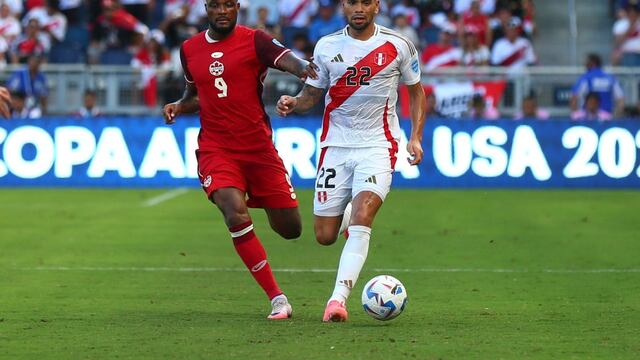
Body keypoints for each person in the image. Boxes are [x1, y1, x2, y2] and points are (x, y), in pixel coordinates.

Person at [162, 0, 317, 320]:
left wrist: (305, 68)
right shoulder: (190, 49)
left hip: (259, 149)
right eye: (216, 5)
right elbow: (195, 97)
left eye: (229, 5)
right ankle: (278, 298)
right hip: (216, 149)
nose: (222, 11)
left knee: (290, 229)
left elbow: (289, 60)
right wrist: (178, 106)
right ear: (206, 8)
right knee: (234, 212)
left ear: (237, 8)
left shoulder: (255, 39)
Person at [276, 0, 426, 322]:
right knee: (324, 235)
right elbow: (313, 95)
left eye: (365, 2)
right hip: (336, 146)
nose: (359, 8)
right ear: (344, 6)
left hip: (378, 145)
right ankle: (344, 215)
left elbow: (416, 92)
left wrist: (414, 137)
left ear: (376, 6)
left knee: (363, 217)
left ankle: (337, 301)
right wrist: (294, 102)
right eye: (352, 2)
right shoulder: (327, 46)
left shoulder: (399, 45)